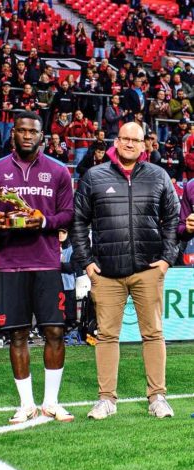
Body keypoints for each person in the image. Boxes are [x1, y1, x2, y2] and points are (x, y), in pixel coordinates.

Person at [72, 122, 180, 420]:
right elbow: (79, 221)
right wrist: (87, 262)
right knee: (107, 335)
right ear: (116, 142)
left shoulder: (158, 176)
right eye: (125, 139)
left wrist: (167, 259)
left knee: (153, 333)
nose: (130, 144)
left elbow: (172, 218)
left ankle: (157, 396)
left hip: (148, 269)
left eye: (136, 139)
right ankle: (107, 399)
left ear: (145, 145)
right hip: (106, 272)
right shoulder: (94, 176)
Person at [0, 111, 74, 424]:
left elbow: (67, 215)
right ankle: (26, 404)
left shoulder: (59, 172)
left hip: (47, 262)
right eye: (21, 130)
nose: (27, 136)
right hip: (10, 264)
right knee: (17, 335)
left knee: (55, 331)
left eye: (33, 131)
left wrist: (44, 221)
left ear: (42, 136)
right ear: (13, 134)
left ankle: (51, 402)